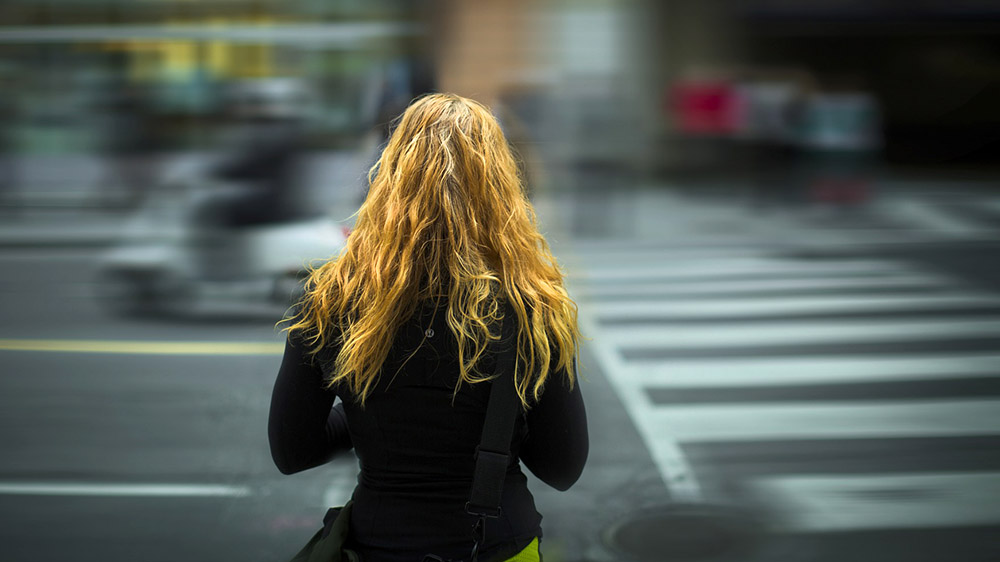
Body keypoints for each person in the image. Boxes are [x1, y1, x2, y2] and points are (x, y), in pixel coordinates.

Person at [268, 93, 589, 562]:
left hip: (377, 546)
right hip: (499, 547)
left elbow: (293, 450)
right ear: (502, 186)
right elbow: (562, 468)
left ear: (388, 178)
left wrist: (366, 417)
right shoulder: (532, 307)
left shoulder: (331, 298)